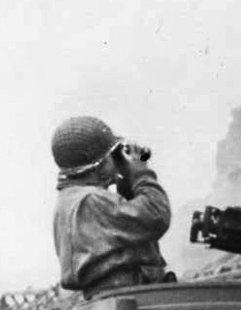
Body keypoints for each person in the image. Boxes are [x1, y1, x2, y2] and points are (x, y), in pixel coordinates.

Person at [50, 114, 173, 295]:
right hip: (131, 305)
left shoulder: (70, 199)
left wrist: (126, 184)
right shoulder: (92, 200)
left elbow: (129, 228)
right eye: (111, 156)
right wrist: (140, 173)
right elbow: (156, 215)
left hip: (113, 300)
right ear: (99, 165)